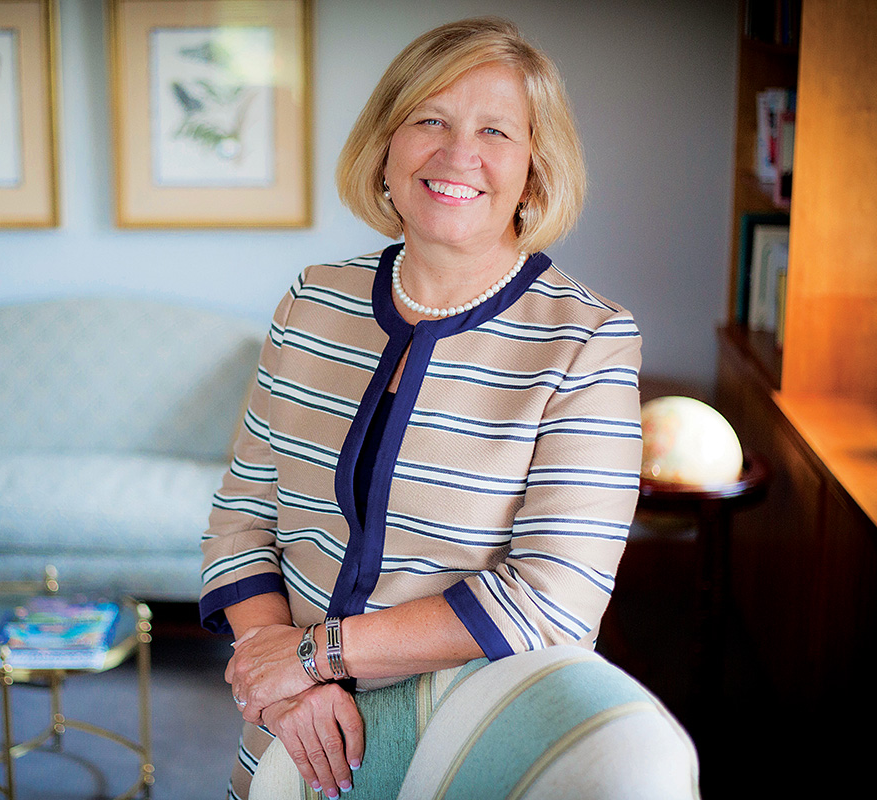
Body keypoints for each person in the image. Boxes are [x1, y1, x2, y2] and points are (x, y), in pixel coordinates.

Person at [200, 17, 693, 800]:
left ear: (534, 170)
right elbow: (241, 519)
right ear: (386, 148)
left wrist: (315, 655)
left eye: (495, 130)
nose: (458, 153)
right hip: (292, 733)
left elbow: (553, 596)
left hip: (471, 740)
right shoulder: (311, 301)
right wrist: (283, 676)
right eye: (428, 119)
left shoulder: (588, 340)